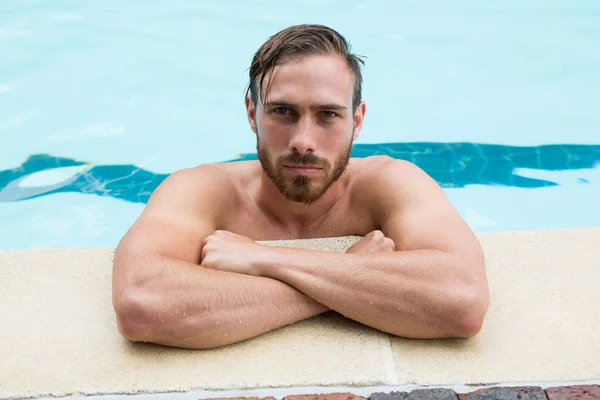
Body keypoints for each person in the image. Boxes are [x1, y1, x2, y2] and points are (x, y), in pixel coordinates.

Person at [112, 24, 490, 349]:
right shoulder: (202, 189)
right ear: (251, 113)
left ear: (357, 121)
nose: (303, 141)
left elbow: (463, 300)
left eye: (327, 114)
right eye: (283, 112)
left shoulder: (389, 182)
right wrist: (352, 276)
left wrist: (267, 260)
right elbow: (142, 304)